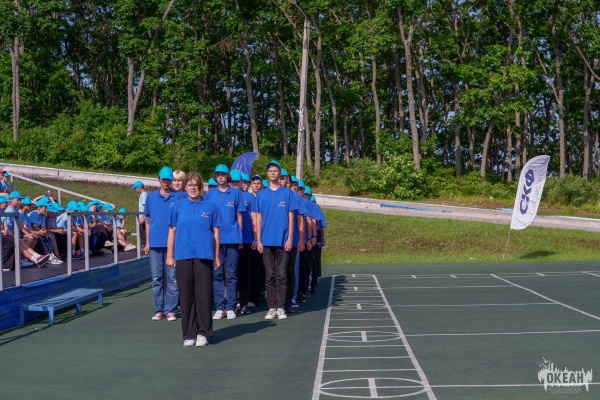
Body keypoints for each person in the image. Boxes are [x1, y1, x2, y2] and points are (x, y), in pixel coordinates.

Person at [166, 173, 222, 347]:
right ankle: (189, 333)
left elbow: (216, 233)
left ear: (201, 187)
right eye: (189, 185)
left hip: (204, 255)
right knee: (186, 295)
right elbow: (172, 231)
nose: (192, 188)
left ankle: (203, 333)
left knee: (203, 295)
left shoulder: (211, 206)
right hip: (183, 255)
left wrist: (217, 256)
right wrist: (170, 255)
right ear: (185, 187)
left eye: (195, 185)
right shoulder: (178, 206)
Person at [252, 160, 297, 320]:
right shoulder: (261, 194)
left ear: (279, 174)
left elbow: (291, 217)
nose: (272, 173)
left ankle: (281, 307)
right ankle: (272, 307)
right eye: (270, 171)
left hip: (283, 240)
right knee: (270, 275)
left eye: (275, 170)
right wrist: (258, 240)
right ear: (267, 174)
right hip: (266, 241)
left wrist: (290, 238)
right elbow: (258, 218)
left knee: (282, 275)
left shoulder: (287, 193)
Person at [144, 166, 186, 322]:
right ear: (159, 180)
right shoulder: (151, 197)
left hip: (173, 244)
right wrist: (147, 241)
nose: (166, 182)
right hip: (155, 243)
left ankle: (170, 310)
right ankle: (159, 309)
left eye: (169, 180)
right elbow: (147, 220)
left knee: (173, 278)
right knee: (157, 278)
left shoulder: (179, 196)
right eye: (164, 179)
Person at [206, 164, 244, 320]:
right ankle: (219, 307)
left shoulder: (235, 193)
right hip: (215, 240)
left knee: (232, 274)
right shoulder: (210, 194)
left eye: (223, 174)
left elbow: (239, 216)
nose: (220, 176)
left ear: (227, 176)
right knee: (217, 274)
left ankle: (231, 307)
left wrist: (240, 237)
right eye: (218, 174)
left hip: (232, 238)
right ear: (215, 177)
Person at [234, 171, 255, 315]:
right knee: (229, 274)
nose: (235, 184)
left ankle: (244, 302)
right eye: (233, 182)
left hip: (246, 240)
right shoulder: (224, 195)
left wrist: (256, 238)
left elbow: (255, 219)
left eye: (238, 182)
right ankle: (231, 300)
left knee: (244, 271)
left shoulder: (249, 197)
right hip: (228, 241)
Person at [131, 181, 147, 248]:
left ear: (139, 188)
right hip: (143, 217)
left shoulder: (143, 195)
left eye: (135, 188)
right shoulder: (144, 194)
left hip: (143, 217)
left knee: (143, 232)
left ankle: (144, 245)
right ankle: (144, 244)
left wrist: (142, 217)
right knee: (142, 231)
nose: (135, 190)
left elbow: (145, 206)